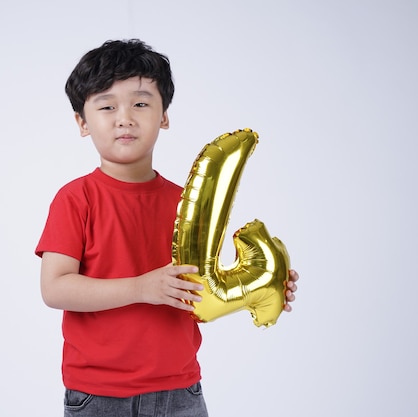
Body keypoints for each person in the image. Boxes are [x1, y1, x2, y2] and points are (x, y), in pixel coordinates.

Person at [35, 39, 299, 416]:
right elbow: (55, 287)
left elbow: (205, 285)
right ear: (82, 122)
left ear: (164, 116)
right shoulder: (76, 198)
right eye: (107, 106)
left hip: (181, 391)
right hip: (98, 395)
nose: (124, 117)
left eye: (140, 103)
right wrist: (142, 287)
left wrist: (263, 286)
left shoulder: (185, 202)